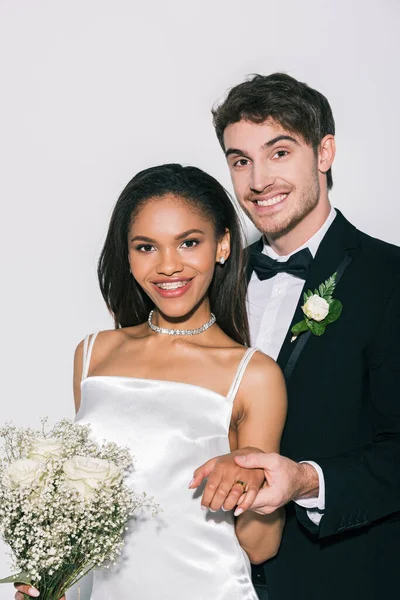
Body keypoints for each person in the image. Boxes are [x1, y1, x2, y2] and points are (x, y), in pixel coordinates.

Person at [15, 164, 287, 600]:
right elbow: (84, 514)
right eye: (146, 247)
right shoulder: (92, 354)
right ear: (127, 254)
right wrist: (50, 582)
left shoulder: (254, 374)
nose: (168, 266)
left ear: (222, 246)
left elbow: (259, 546)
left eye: (189, 242)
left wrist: (253, 479)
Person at [202, 72, 400, 600]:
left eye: (279, 152)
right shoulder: (210, 279)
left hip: (339, 579)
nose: (258, 180)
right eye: (240, 160)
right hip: (206, 571)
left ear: (324, 151)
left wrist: (307, 481)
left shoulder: (389, 278)